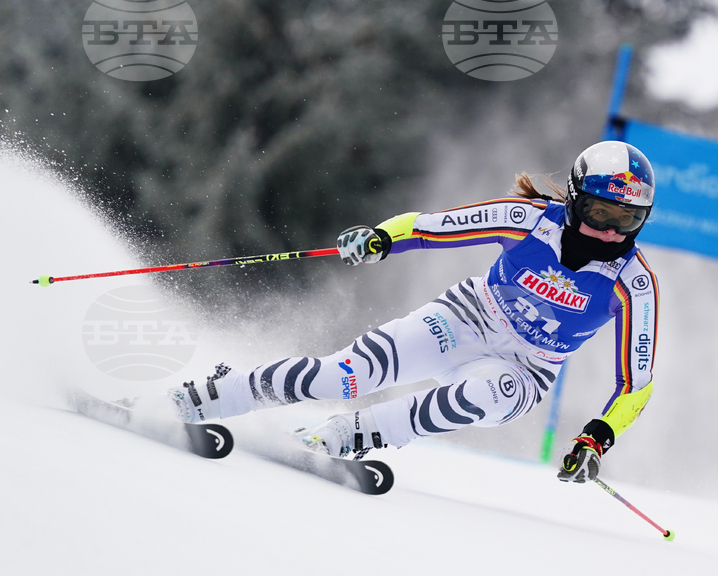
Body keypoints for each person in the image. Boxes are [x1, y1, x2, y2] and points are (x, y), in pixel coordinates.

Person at [169, 140, 659, 483]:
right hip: (466, 318)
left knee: (481, 394)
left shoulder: (633, 284)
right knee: (345, 376)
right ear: (574, 199)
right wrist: (380, 239)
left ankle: (348, 436)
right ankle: (212, 395)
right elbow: (427, 228)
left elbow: (637, 384)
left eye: (628, 219)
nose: (611, 232)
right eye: (600, 213)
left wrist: (597, 439)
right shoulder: (525, 220)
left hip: (526, 369)